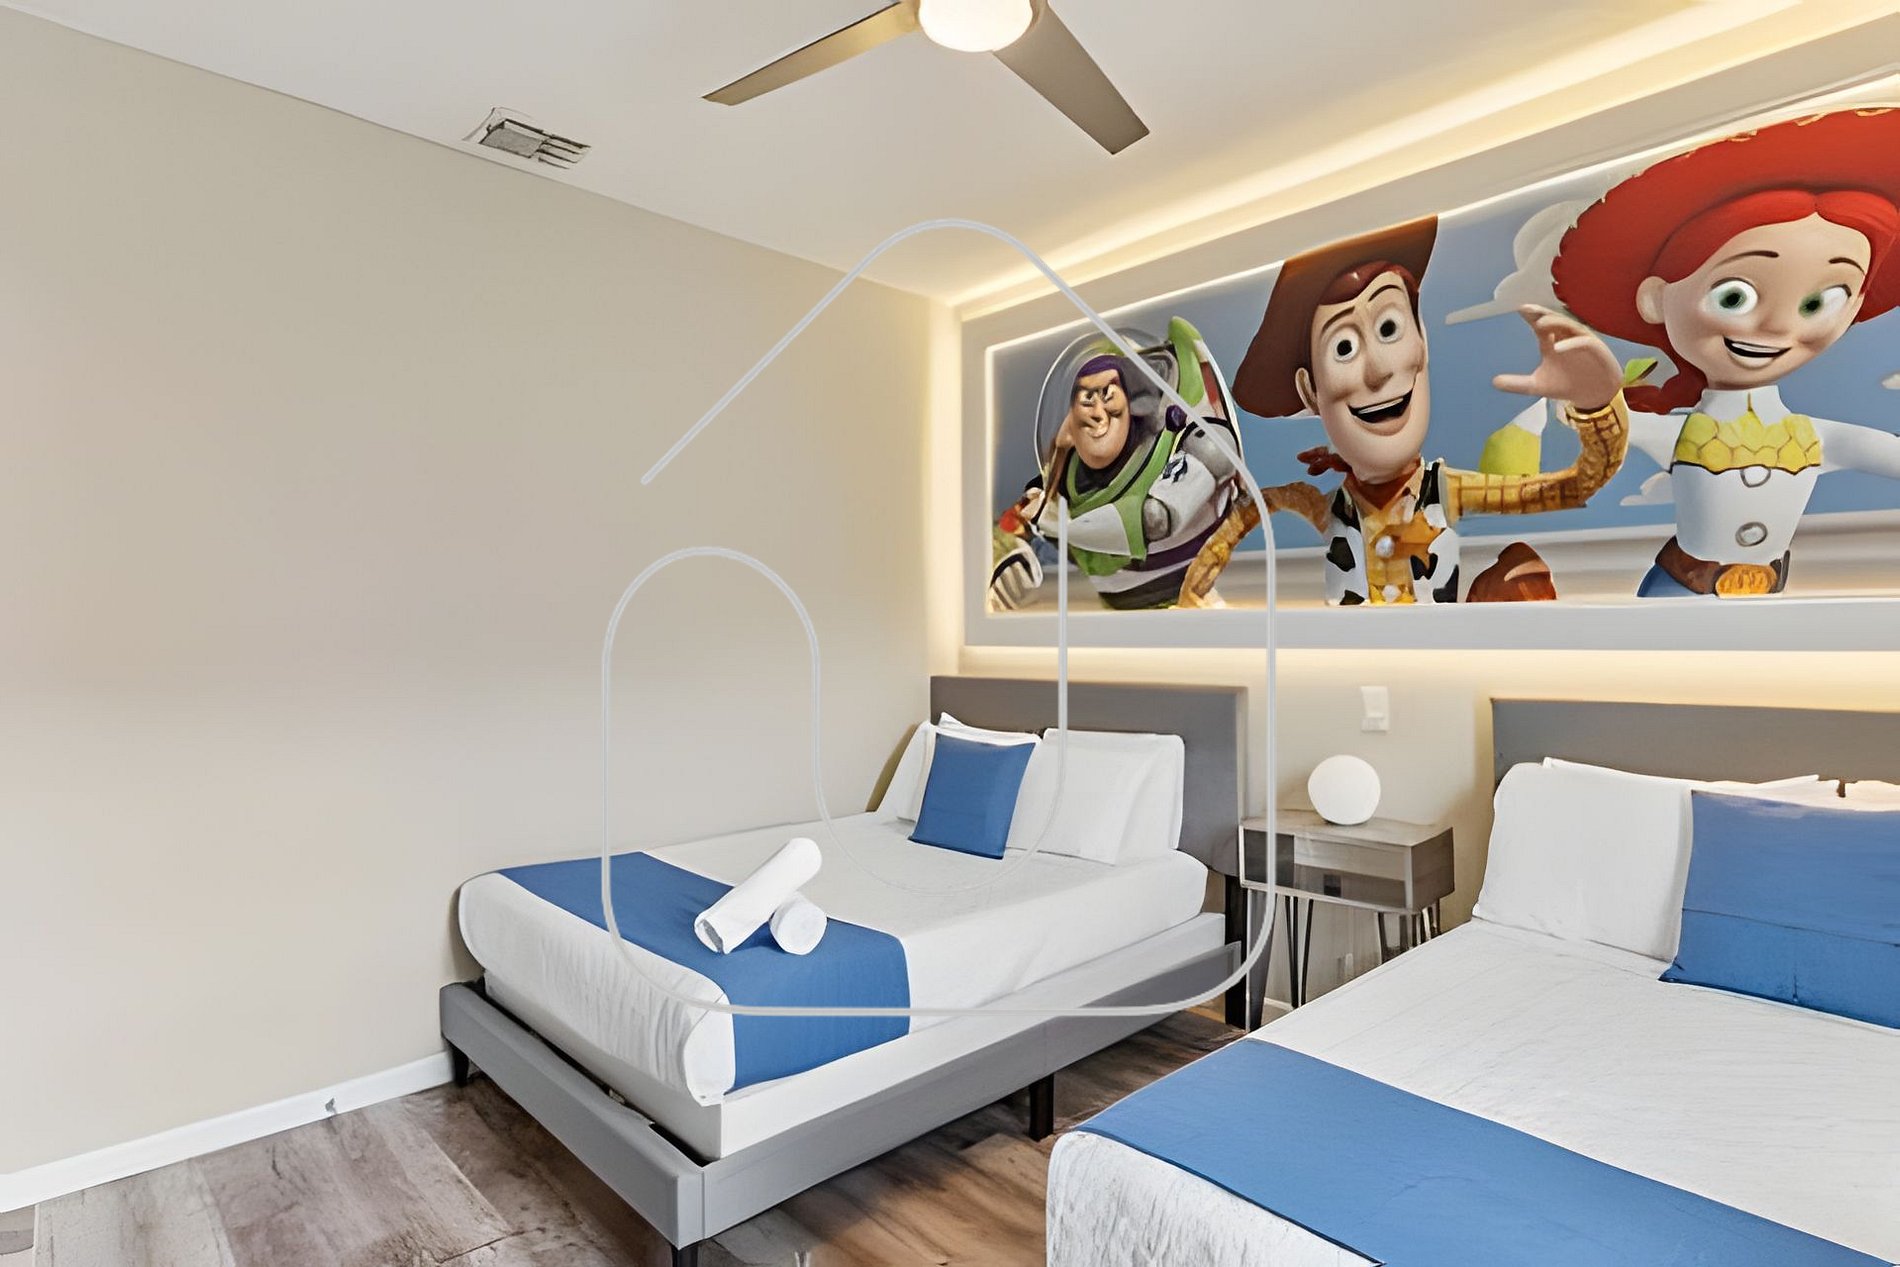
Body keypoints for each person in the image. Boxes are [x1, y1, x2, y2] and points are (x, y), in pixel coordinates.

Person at [1551, 107, 1900, 597]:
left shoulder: (1819, 438)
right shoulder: (1683, 433)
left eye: (1819, 303)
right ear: (1656, 299)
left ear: (1853, 308)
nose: (1778, 327)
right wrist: (1580, 393)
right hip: (1678, 591)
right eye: (1735, 296)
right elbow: (1600, 423)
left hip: (1768, 597)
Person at [1208, 217, 1629, 606]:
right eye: (1344, 348)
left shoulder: (1447, 491)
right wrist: (1195, 592)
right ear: (1310, 390)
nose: (1377, 370)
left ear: (1421, 341)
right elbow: (1258, 505)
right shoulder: (1326, 508)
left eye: (1389, 328)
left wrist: (1596, 407)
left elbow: (1574, 487)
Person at [990, 318, 1248, 611]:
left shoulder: (1198, 443)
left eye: (1107, 396)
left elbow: (1155, 519)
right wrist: (1007, 557)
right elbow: (1013, 524)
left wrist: (1060, 526)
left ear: (1134, 403)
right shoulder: (1061, 485)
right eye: (1086, 399)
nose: (1097, 413)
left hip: (1195, 598)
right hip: (1115, 612)